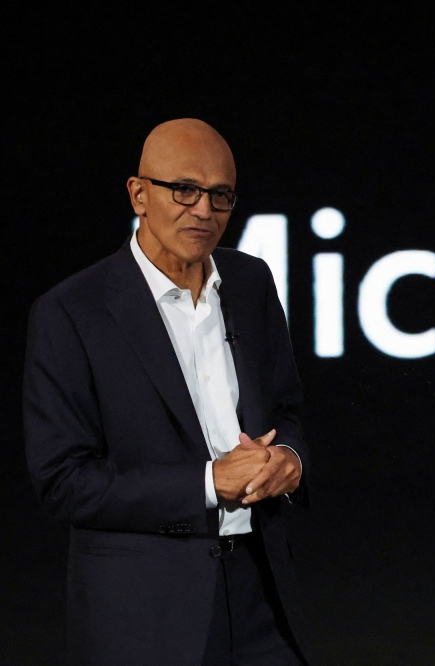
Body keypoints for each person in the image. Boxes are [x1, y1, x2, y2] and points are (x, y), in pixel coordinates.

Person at [23, 119, 311, 665]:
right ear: (139, 194)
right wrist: (208, 482)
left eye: (221, 195)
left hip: (261, 594)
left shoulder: (251, 282)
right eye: (184, 189)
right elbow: (63, 482)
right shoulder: (72, 312)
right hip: (145, 612)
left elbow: (288, 408)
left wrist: (289, 459)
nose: (204, 210)